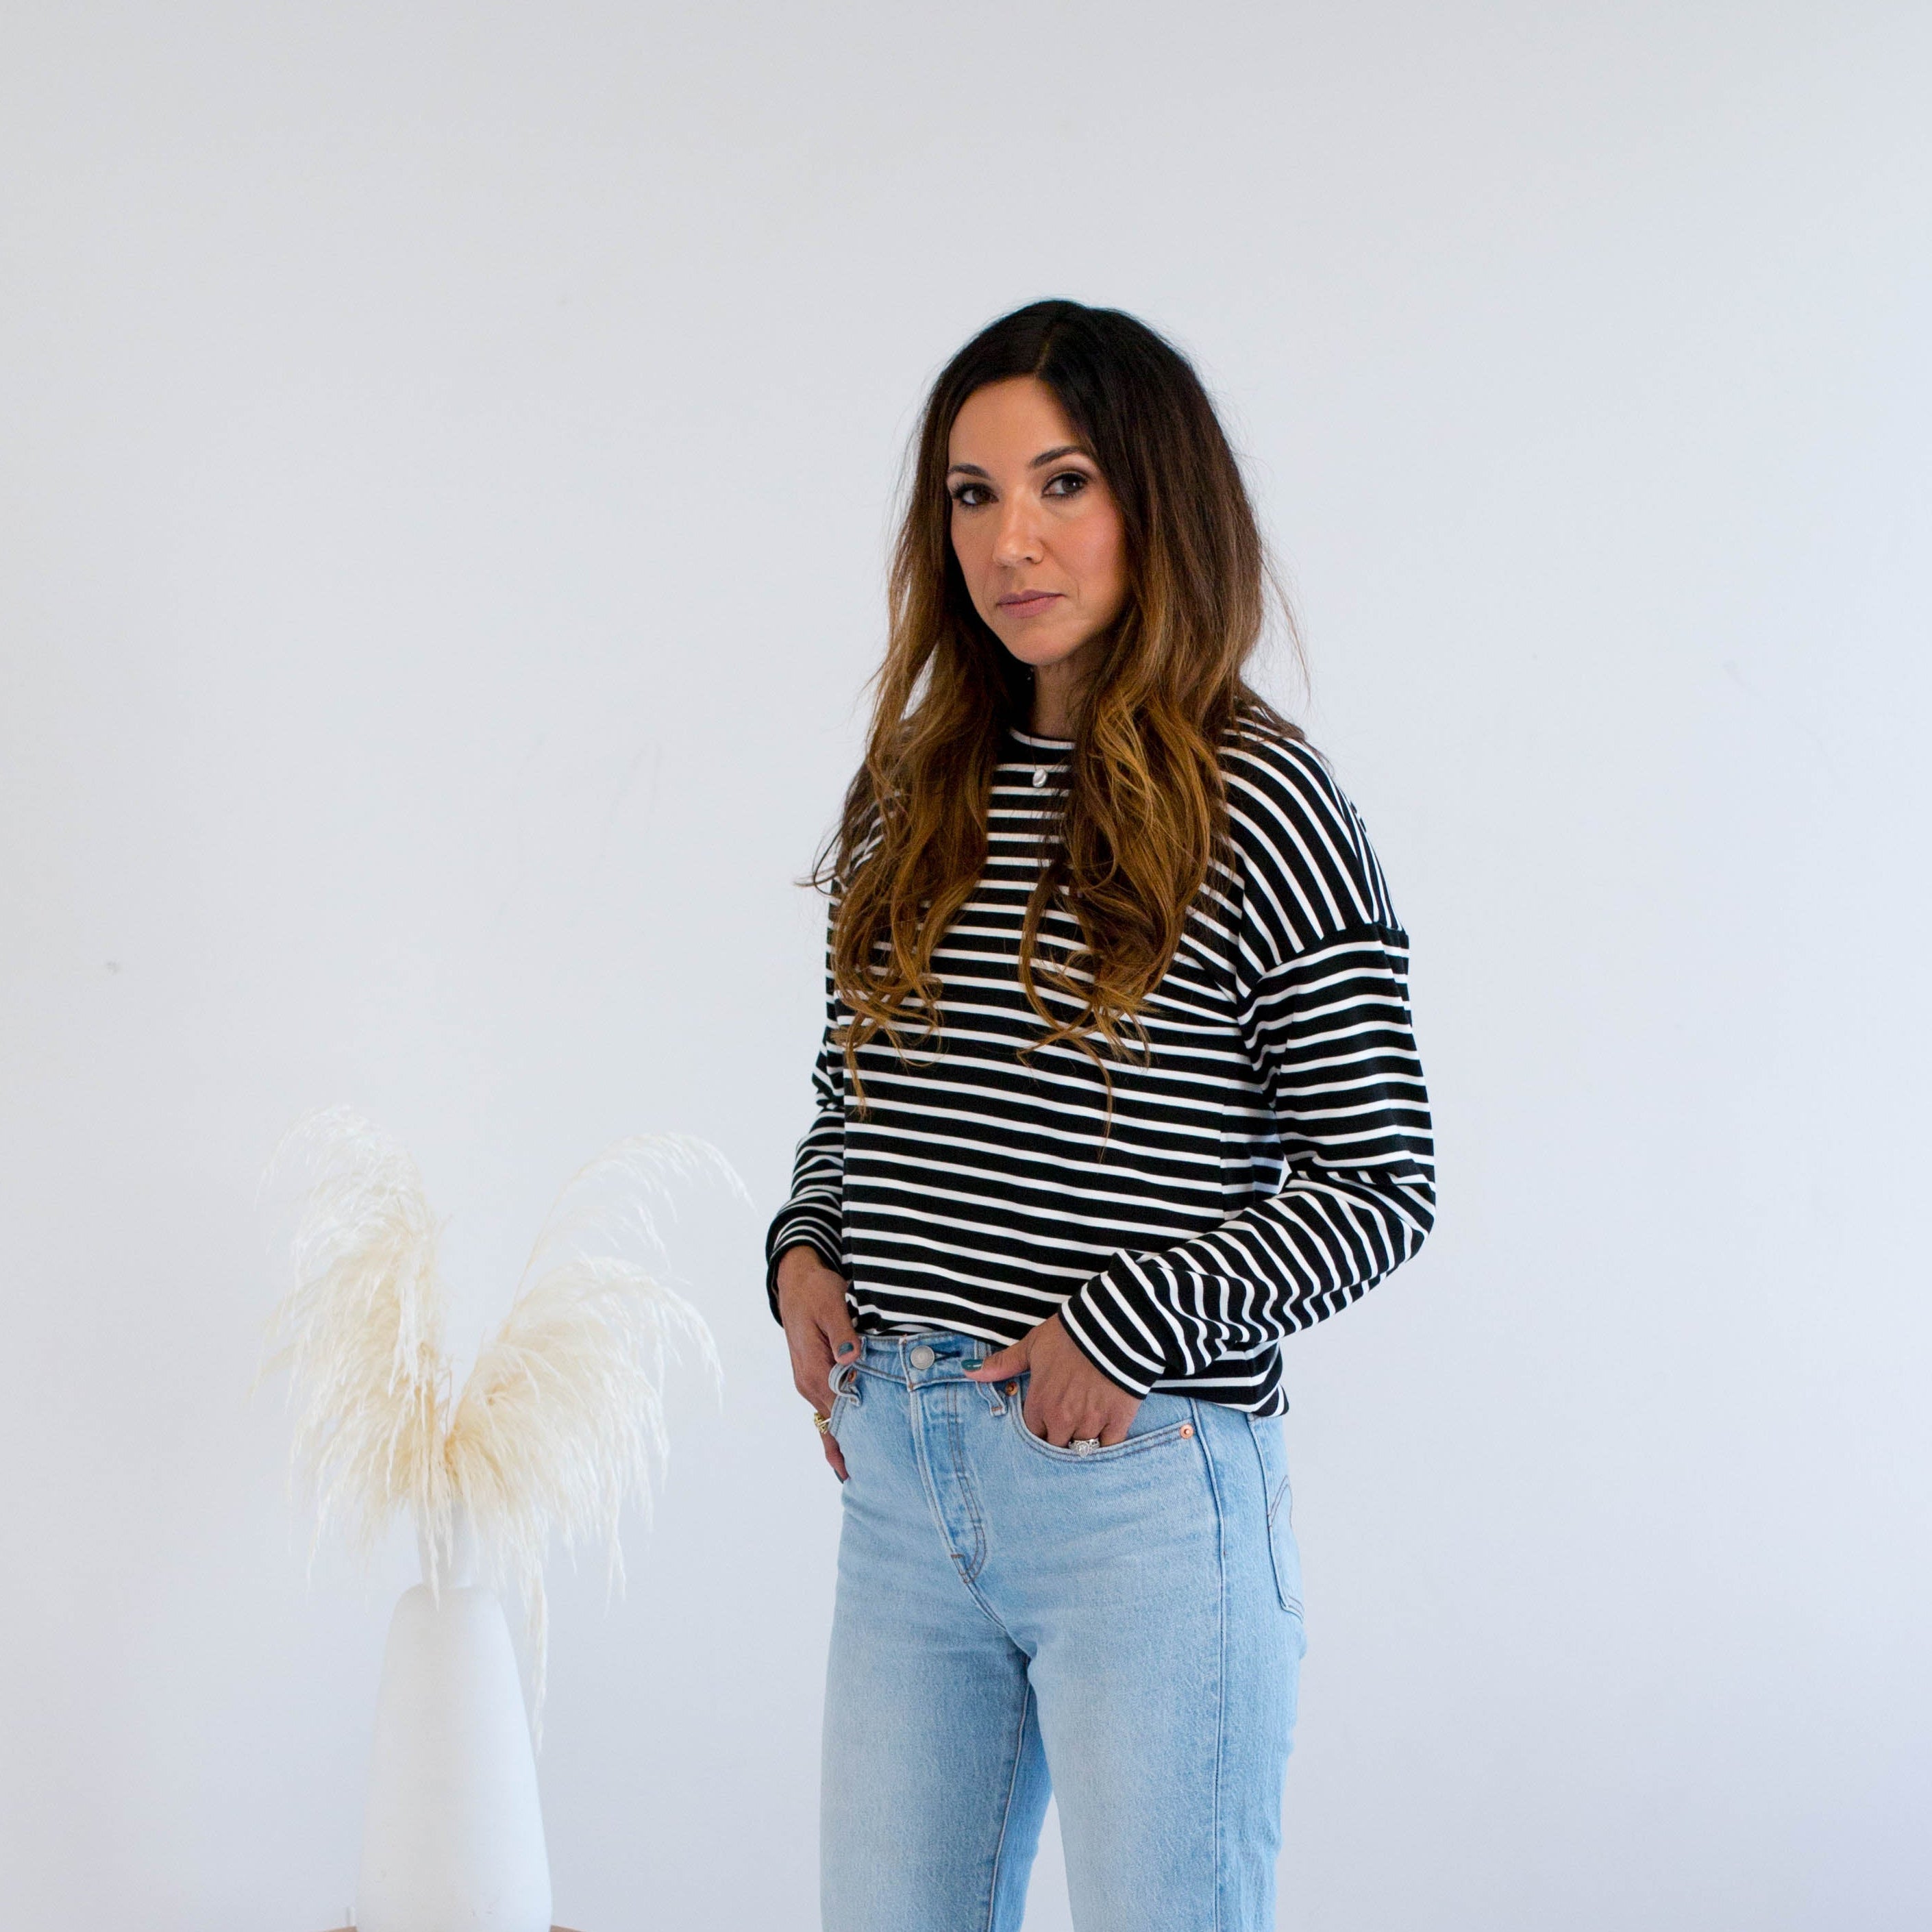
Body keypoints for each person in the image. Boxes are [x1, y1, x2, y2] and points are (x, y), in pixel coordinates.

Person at [765, 298, 1434, 1932]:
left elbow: (1381, 1179)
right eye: (973, 494)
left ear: (1156, 500)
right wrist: (806, 1244)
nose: (1013, 538)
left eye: (1063, 483)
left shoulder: (1257, 797)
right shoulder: (915, 786)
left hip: (1143, 1498)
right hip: (907, 1497)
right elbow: (854, 1090)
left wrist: (1122, 1324)